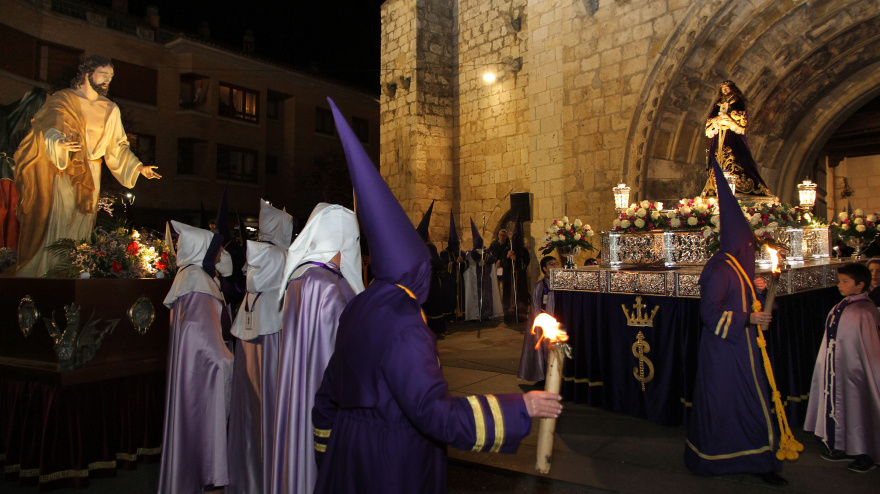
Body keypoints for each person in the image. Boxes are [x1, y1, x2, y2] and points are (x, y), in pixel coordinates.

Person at [311, 99, 562, 493]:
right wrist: (519, 409)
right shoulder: (405, 323)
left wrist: (329, 456)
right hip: (393, 460)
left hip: (349, 453)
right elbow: (434, 414)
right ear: (417, 270)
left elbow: (326, 398)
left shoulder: (360, 305)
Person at [685, 155, 788, 485]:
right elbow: (710, 314)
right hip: (725, 352)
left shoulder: (737, 267)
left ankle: (759, 458)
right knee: (730, 402)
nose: (750, 249)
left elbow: (739, 295)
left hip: (743, 348)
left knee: (750, 401)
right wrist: (749, 317)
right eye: (747, 244)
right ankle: (724, 458)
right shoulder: (718, 269)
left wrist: (756, 289)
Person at [13, 55, 161, 277]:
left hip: (91, 172)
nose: (107, 80)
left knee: (81, 226)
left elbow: (117, 146)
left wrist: (139, 167)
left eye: (110, 76)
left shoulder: (110, 108)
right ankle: (48, 272)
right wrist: (59, 142)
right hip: (64, 169)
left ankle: (73, 270)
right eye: (103, 74)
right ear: (87, 74)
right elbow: (47, 126)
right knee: (58, 220)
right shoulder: (63, 99)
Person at [269, 203, 363, 494]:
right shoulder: (329, 285)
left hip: (301, 395)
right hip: (324, 405)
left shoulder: (301, 276)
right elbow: (335, 361)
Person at [158, 221, 234, 494]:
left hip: (193, 371)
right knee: (204, 431)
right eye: (215, 249)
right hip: (203, 375)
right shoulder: (196, 281)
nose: (219, 253)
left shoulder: (192, 276)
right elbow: (202, 338)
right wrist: (227, 361)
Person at [225, 199, 293, 494]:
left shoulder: (262, 254)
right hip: (272, 331)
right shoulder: (278, 255)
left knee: (250, 407)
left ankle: (248, 473)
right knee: (270, 403)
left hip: (251, 325)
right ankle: (271, 474)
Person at [804, 263, 880, 473]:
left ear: (860, 284)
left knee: (860, 409)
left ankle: (866, 453)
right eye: (840, 281)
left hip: (858, 373)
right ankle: (843, 445)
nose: (839, 285)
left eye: (845, 281)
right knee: (843, 406)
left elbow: (868, 348)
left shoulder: (863, 311)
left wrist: (864, 371)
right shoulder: (843, 305)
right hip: (838, 370)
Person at [700, 81, 772, 198]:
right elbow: (711, 116)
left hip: (732, 134)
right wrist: (717, 118)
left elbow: (741, 115)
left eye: (727, 88)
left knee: (737, 157)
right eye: (723, 89)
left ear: (732, 89)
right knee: (717, 159)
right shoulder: (718, 103)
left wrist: (728, 116)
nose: (725, 90)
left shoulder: (736, 100)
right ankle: (715, 188)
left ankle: (739, 186)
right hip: (720, 134)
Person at [518, 256, 559, 384]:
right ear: (545, 268)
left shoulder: (561, 284)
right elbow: (535, 305)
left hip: (558, 322)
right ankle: (543, 376)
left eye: (556, 263)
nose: (555, 266)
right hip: (545, 322)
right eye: (551, 264)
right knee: (544, 348)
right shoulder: (539, 285)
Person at [464, 218, 502, 321]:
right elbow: (468, 264)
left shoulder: (487, 251)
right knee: (476, 296)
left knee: (486, 296)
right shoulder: (470, 253)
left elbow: (492, 260)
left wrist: (485, 258)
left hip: (485, 277)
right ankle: (476, 314)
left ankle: (486, 313)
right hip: (475, 278)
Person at [438, 211, 467, 322]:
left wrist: (462, 262)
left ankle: (460, 314)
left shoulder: (462, 253)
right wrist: (455, 262)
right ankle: (449, 315)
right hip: (449, 281)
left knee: (460, 297)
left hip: (459, 280)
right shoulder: (444, 253)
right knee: (449, 298)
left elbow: (467, 265)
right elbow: (444, 266)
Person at [504, 215, 531, 321]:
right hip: (509, 277)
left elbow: (526, 262)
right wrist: (507, 257)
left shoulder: (523, 250)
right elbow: (502, 262)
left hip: (520, 276)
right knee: (509, 292)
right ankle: (509, 310)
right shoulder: (508, 249)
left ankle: (521, 311)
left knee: (521, 292)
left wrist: (517, 259)